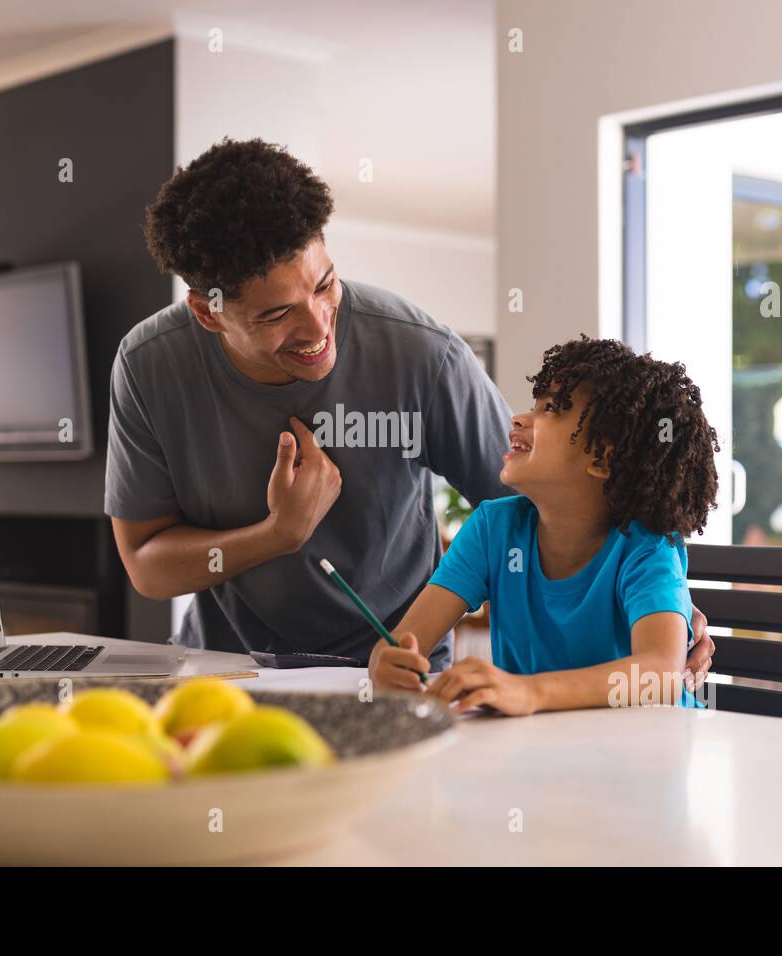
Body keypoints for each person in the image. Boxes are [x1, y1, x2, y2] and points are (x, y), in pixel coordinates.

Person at [106, 137, 714, 683]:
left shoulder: (422, 354)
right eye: (275, 314)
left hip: (394, 672)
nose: (318, 327)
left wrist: (665, 605)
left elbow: (552, 504)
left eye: (324, 286)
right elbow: (147, 565)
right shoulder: (149, 366)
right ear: (209, 312)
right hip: (227, 671)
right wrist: (278, 535)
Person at [369, 336, 720, 713]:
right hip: (544, 753)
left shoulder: (646, 548)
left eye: (551, 409)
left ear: (602, 459)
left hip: (647, 753)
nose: (519, 419)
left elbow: (660, 675)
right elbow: (402, 644)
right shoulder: (492, 530)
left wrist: (529, 692)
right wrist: (386, 664)